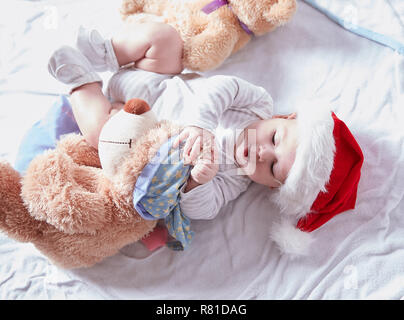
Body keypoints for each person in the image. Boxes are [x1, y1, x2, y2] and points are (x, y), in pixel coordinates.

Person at [48, 22, 364, 256]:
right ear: (285, 117)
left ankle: (81, 82)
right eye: (274, 139)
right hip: (157, 82)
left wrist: (198, 183)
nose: (260, 153)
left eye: (271, 168)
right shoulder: (258, 104)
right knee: (166, 39)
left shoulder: (235, 179)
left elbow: (207, 209)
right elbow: (220, 87)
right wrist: (200, 126)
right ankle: (107, 53)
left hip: (135, 128)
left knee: (102, 136)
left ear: (271, 186)